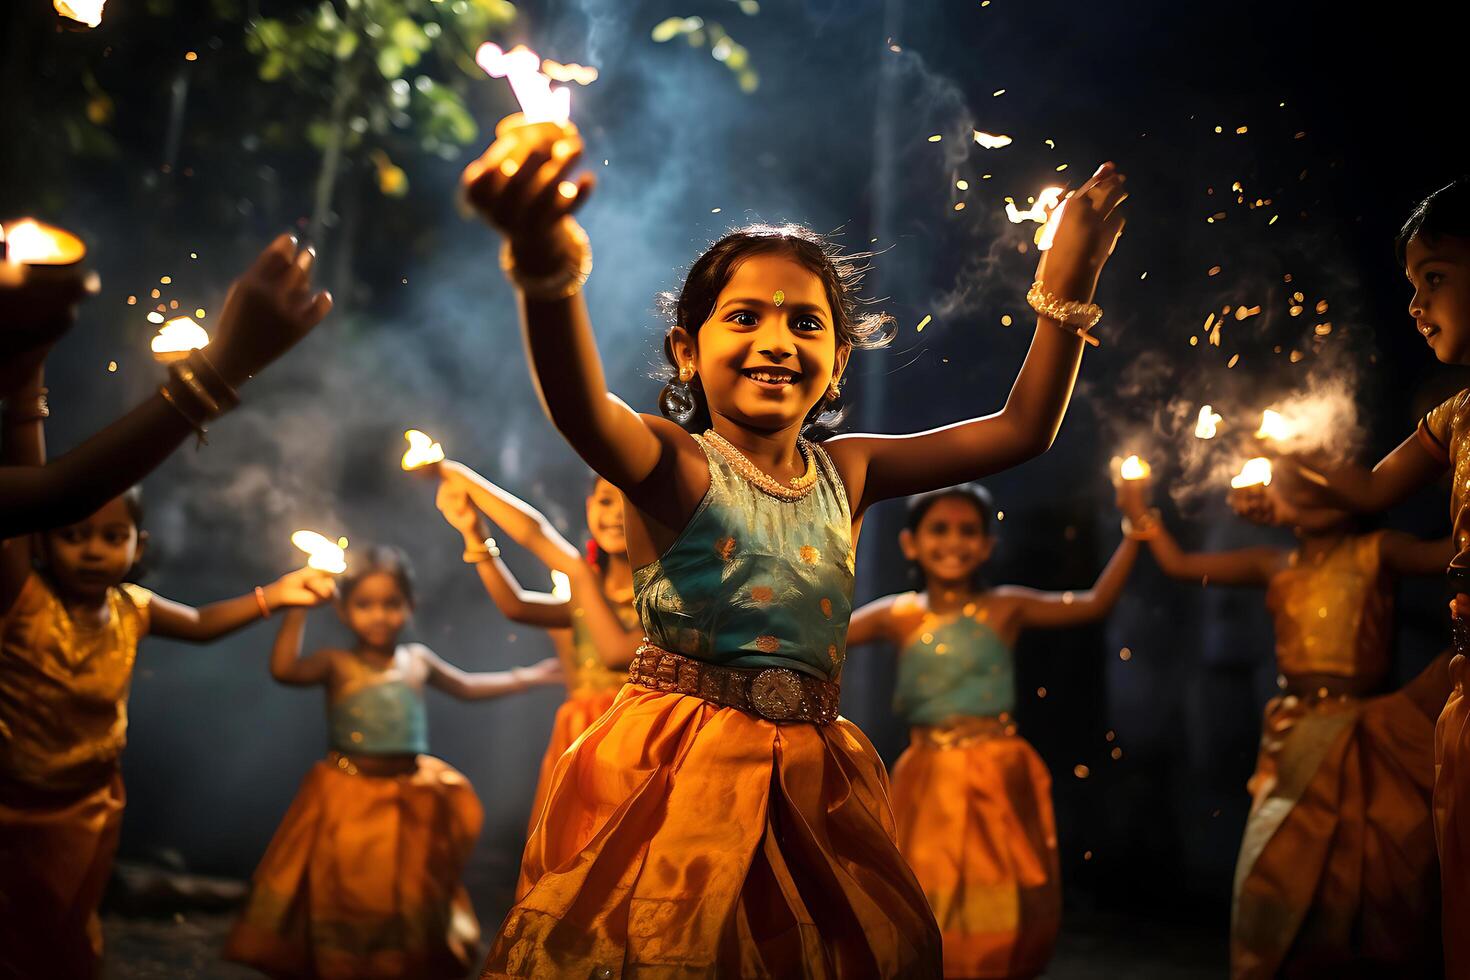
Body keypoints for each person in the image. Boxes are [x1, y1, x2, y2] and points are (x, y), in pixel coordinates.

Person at [459, 109, 1126, 976]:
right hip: (676, 777)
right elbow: (583, 412)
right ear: (686, 351)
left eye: (806, 326)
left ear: (840, 363)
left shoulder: (848, 471)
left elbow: (1022, 428)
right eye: (744, 319)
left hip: (813, 780)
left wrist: (1066, 287)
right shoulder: (673, 465)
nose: (776, 340)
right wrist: (547, 267)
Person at [224, 544, 560, 979]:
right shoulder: (336, 663)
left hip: (408, 798)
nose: (379, 615)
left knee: (403, 894)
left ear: (409, 605)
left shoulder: (415, 660)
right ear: (343, 611)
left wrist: (527, 677)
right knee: (347, 892)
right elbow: (284, 669)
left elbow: (467, 686)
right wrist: (297, 607)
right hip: (347, 795)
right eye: (365, 605)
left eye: (390, 604)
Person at [847, 483, 1141, 979]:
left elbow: (1093, 604)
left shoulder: (1005, 607)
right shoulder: (898, 614)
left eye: (968, 532)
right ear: (910, 544)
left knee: (999, 888)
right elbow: (824, 632)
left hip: (997, 772)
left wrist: (1137, 530)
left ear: (987, 546)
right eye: (938, 530)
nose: (954, 543)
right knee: (925, 883)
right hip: (927, 775)